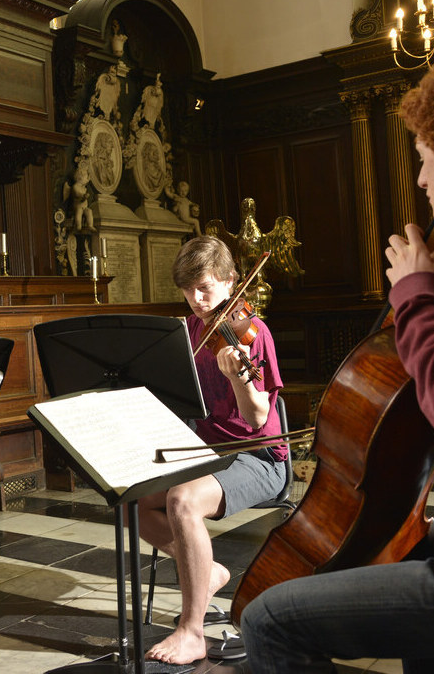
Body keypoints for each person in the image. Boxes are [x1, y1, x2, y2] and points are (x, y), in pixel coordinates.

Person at [239, 52, 434, 672]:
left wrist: (417, 295)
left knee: (269, 619)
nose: (424, 179)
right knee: (393, 555)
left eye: (423, 156)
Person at [137, 235, 286, 665]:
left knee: (182, 501)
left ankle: (192, 631)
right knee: (135, 503)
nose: (197, 300)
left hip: (257, 456)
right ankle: (211, 572)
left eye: (204, 287)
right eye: (187, 290)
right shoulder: (189, 330)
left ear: (229, 281)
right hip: (208, 453)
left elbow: (257, 418)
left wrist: (240, 377)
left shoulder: (252, 334)